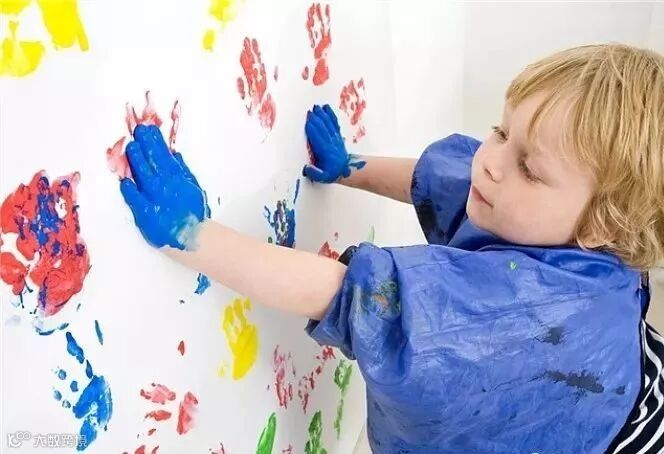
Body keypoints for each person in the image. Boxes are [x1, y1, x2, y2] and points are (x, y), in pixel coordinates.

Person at [118, 44, 664, 453]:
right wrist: (350, 168)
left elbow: (353, 296)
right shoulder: (539, 206)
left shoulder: (532, 318)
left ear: (604, 227)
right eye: (501, 132)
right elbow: (447, 182)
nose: (492, 162)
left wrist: (194, 235)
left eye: (529, 167)